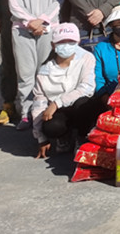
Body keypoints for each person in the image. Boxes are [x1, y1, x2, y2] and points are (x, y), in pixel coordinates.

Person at [8, 0, 64, 131]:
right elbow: (14, 1)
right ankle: (26, 113)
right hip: (22, 29)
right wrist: (30, 21)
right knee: (25, 73)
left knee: (45, 71)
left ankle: (42, 111)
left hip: (48, 29)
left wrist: (43, 20)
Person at [30, 23, 96, 158]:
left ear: (78, 42)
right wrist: (41, 137)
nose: (66, 45)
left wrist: (57, 103)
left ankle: (81, 137)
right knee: (50, 126)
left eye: (70, 41)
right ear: (53, 45)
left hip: (77, 106)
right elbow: (39, 102)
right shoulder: (44, 70)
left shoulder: (86, 58)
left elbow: (87, 88)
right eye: (61, 42)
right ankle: (63, 136)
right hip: (59, 112)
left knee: (85, 104)